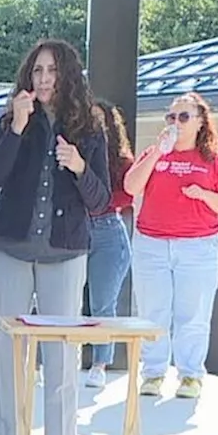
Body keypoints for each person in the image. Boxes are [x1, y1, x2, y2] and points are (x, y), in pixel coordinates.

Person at [0, 39, 110, 435]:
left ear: (67, 75)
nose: (43, 78)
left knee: (61, 357)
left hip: (64, 250)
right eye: (36, 71)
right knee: (8, 356)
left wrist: (78, 166)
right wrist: (16, 128)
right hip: (10, 247)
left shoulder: (90, 127)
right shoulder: (13, 120)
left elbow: (101, 200)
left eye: (52, 70)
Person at [124, 91, 218, 399]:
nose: (176, 122)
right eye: (171, 117)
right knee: (153, 311)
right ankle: (153, 373)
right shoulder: (155, 153)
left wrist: (202, 194)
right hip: (152, 243)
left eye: (184, 117)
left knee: (193, 312)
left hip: (197, 246)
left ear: (200, 123)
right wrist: (157, 154)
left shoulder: (212, 160)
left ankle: (190, 375)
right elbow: (131, 186)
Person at [83, 100, 135, 389]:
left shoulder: (122, 161)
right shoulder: (76, 153)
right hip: (75, 229)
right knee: (59, 299)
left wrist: (96, 198)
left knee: (102, 303)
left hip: (107, 231)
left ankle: (100, 363)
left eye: (99, 121)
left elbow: (127, 196)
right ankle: (46, 361)